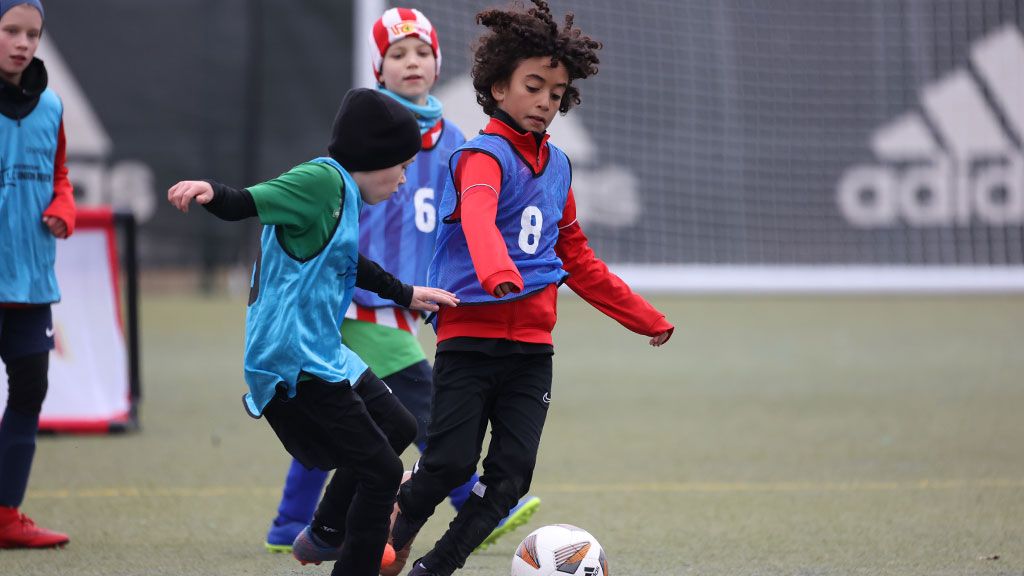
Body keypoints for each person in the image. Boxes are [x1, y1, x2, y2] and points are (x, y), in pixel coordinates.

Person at [387, 1, 675, 574]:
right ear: (498, 88)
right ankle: (393, 530)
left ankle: (434, 568)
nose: (546, 101)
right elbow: (477, 217)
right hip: (470, 340)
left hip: (532, 352)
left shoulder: (560, 167)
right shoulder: (481, 155)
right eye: (534, 86)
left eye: (557, 92)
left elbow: (579, 259)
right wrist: (498, 276)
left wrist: (645, 317)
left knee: (511, 478)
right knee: (448, 463)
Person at [263, 8, 541, 565]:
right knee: (430, 411)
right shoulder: (368, 136)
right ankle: (473, 505)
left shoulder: (457, 139)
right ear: (378, 68)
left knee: (348, 418)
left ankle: (296, 521)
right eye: (397, 54)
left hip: (406, 303)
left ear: (437, 63)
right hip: (357, 303)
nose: (411, 62)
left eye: (421, 52)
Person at [166, 87, 459, 576]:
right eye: (402, 166)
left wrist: (405, 293)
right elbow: (247, 202)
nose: (405, 179)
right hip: (291, 358)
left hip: (322, 351)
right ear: (375, 156)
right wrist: (210, 191)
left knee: (401, 427)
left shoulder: (344, 192)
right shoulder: (321, 180)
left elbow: (346, 260)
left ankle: (325, 532)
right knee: (383, 472)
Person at [0, 0, 74, 550]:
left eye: (32, 33)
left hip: (31, 286)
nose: (23, 43)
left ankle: (6, 515)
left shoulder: (51, 105)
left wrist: (63, 209)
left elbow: (60, 176)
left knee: (30, 392)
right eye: (10, 31)